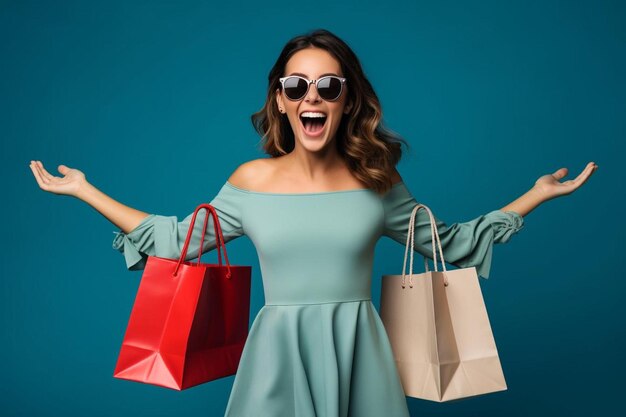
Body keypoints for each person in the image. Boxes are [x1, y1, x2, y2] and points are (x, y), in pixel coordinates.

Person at [29, 28, 597, 417]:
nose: (312, 96)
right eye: (296, 85)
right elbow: (176, 240)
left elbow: (446, 245)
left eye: (329, 85)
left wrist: (535, 195)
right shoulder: (251, 180)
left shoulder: (377, 180)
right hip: (276, 353)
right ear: (281, 101)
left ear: (347, 100)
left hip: (361, 354)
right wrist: (84, 190)